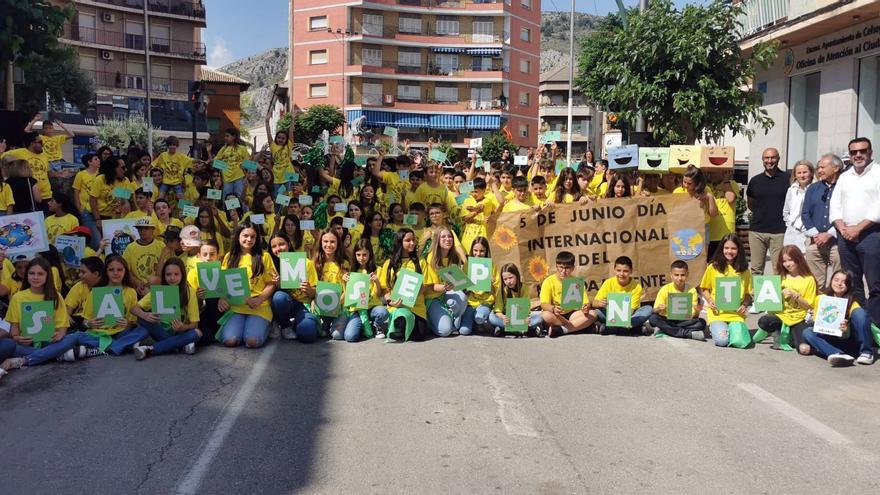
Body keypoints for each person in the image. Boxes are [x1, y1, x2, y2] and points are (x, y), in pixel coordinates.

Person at [830, 137, 880, 326]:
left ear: (870, 152)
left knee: (875, 284)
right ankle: (860, 323)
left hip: (871, 234)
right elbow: (835, 204)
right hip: (845, 235)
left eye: (862, 151)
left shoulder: (878, 173)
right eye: (853, 152)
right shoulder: (845, 176)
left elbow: (878, 206)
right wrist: (842, 227)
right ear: (849, 155)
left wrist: (858, 228)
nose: (858, 155)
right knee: (852, 283)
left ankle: (877, 327)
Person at [0, 258, 72, 373]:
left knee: (68, 339)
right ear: (27, 275)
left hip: (50, 341)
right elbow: (14, 328)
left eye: (40, 274)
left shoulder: (56, 296)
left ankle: (24, 360)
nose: (35, 277)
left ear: (47, 276)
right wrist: (17, 338)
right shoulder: (18, 297)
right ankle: (55, 355)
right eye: (32, 273)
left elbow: (63, 326)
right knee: (10, 345)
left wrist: (59, 335)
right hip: (26, 344)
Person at [130, 258, 202, 360]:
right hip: (160, 330)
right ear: (164, 276)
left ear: (183, 275)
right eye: (168, 274)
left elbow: (194, 324)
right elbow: (134, 309)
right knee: (141, 318)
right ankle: (180, 344)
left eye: (176, 274)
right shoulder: (159, 291)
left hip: (180, 331)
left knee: (197, 333)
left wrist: (183, 327)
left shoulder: (189, 291)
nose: (172, 278)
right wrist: (145, 315)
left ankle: (149, 349)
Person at [802, 270, 876, 366]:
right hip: (830, 339)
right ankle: (837, 354)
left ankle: (866, 352)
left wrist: (846, 330)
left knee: (860, 313)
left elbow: (855, 328)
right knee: (807, 332)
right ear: (831, 281)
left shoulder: (853, 302)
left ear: (849, 285)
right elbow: (818, 326)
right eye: (836, 280)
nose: (839, 284)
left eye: (844, 282)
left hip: (850, 341)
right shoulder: (821, 299)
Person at [753, 246, 817, 353]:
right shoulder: (780, 277)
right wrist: (757, 293)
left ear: (799, 259)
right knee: (764, 321)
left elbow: (810, 306)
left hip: (799, 318)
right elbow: (769, 300)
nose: (787, 264)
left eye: (790, 260)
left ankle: (787, 335)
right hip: (781, 316)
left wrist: (795, 295)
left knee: (804, 349)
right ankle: (777, 331)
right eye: (784, 261)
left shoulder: (809, 279)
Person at [699, 233, 753, 347]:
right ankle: (718, 328)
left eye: (733, 248)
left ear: (739, 250)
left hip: (736, 314)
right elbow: (704, 288)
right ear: (721, 249)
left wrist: (744, 305)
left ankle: (732, 328)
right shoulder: (713, 267)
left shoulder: (744, 270)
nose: (729, 251)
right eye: (726, 248)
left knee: (740, 343)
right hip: (718, 313)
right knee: (722, 341)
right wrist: (709, 300)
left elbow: (748, 294)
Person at [268, 232, 321, 342]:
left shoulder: (306, 263)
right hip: (282, 304)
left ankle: (299, 322)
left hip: (302, 305)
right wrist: (275, 285)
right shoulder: (270, 265)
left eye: (281, 244)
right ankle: (284, 325)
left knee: (307, 334)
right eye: (274, 246)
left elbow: (314, 293)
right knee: (279, 297)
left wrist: (309, 289)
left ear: (289, 244)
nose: (278, 248)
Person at [378, 228, 429, 341]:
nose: (412, 243)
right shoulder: (389, 263)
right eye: (408, 240)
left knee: (419, 336)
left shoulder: (420, 261)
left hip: (416, 306)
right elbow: (385, 288)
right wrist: (391, 301)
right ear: (400, 242)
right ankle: (399, 324)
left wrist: (411, 297)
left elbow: (424, 285)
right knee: (401, 324)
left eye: (414, 240)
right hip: (397, 305)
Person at [801, 154, 843, 290]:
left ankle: (838, 307)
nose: (819, 171)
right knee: (815, 282)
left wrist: (830, 234)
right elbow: (805, 213)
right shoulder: (813, 188)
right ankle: (817, 307)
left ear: (836, 168)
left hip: (838, 242)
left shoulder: (844, 187)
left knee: (839, 279)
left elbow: (848, 214)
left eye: (823, 167)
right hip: (815, 242)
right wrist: (816, 234)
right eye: (818, 167)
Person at [746, 147, 788, 276]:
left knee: (779, 269)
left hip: (780, 232)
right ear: (763, 160)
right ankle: (756, 296)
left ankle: (778, 296)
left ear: (778, 159)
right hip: (757, 231)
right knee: (756, 269)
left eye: (773, 158)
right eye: (766, 158)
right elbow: (751, 204)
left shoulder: (788, 179)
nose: (769, 161)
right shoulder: (755, 181)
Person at [336, 238, 388, 341]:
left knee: (382, 312)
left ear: (370, 254)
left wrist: (376, 282)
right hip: (356, 309)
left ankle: (376, 325)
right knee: (350, 337)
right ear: (354, 255)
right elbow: (346, 297)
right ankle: (361, 325)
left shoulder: (378, 270)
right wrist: (344, 282)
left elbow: (379, 294)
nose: (361, 258)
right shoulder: (351, 271)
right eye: (358, 255)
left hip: (372, 307)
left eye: (365, 255)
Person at [591, 256, 654, 335]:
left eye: (625, 271)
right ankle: (632, 328)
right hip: (611, 315)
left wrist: (621, 319)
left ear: (631, 271)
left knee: (648, 309)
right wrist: (599, 303)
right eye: (618, 270)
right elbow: (594, 303)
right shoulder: (608, 282)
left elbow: (631, 311)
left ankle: (612, 328)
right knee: (597, 311)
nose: (621, 274)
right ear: (614, 270)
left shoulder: (636, 286)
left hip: (629, 316)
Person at [539, 251, 596, 338]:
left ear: (573, 268)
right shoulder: (548, 281)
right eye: (561, 267)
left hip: (573, 314)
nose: (563, 271)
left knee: (593, 314)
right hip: (557, 315)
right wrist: (553, 308)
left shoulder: (576, 281)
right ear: (556, 267)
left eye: (567, 268)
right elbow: (544, 304)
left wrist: (586, 307)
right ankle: (580, 327)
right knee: (545, 315)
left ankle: (563, 330)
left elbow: (586, 302)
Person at [647, 260, 706, 340]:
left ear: (687, 275)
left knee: (701, 323)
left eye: (682, 275)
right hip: (667, 319)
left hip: (684, 321)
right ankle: (687, 333)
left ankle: (666, 329)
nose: (679, 278)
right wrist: (659, 308)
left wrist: (697, 311)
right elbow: (654, 310)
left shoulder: (692, 290)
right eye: (676, 275)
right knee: (653, 318)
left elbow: (694, 316)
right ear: (671, 275)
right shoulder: (665, 289)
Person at [459, 237, 501, 336]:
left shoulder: (491, 265)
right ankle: (473, 322)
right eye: (475, 250)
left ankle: (480, 322)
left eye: (482, 251)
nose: (478, 254)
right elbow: (463, 288)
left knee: (479, 318)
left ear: (486, 251)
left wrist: (492, 282)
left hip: (485, 302)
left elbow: (498, 287)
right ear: (472, 250)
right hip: (470, 303)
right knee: (464, 331)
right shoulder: (467, 265)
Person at [1, 132, 51, 209]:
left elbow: (46, 172)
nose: (43, 144)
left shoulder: (44, 154)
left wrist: (57, 174)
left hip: (47, 195)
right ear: (32, 143)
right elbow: (3, 158)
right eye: (40, 142)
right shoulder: (19, 152)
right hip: (30, 196)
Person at [492, 263, 543, 336]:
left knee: (539, 318)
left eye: (511, 277)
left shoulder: (524, 288)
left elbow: (525, 310)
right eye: (505, 279)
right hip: (507, 319)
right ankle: (522, 330)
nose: (508, 281)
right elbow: (498, 311)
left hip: (520, 319)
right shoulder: (502, 290)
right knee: (492, 318)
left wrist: (526, 319)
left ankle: (505, 329)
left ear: (517, 275)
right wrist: (503, 317)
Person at [122, 217, 165, 296]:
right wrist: (137, 283)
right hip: (138, 289)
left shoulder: (161, 246)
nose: (142, 231)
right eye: (140, 228)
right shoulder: (130, 247)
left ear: (153, 229)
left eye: (146, 228)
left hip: (159, 287)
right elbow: (126, 270)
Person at [782, 160, 815, 253]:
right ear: (795, 175)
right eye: (799, 173)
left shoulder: (816, 189)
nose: (802, 175)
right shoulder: (791, 190)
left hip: (809, 231)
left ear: (811, 173)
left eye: (805, 172)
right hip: (792, 232)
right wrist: (790, 223)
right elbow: (786, 211)